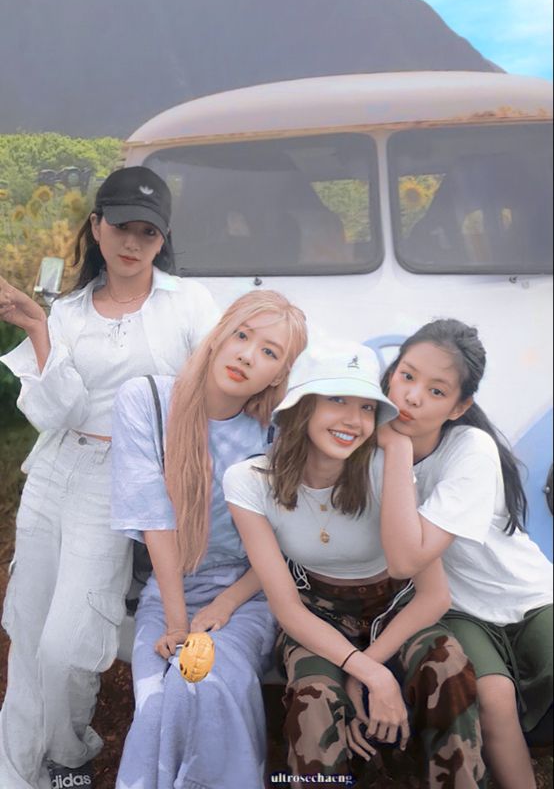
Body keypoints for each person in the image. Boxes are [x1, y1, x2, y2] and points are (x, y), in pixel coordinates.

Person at [0, 167, 219, 789]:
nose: (132, 242)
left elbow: (210, 394)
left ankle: (69, 752)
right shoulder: (66, 310)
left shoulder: (189, 305)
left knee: (67, 643)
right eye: (121, 226)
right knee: (26, 628)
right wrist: (39, 330)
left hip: (124, 477)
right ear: (96, 227)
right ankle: (18, 773)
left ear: (163, 238)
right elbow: (53, 412)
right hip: (55, 469)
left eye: (147, 232)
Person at [223, 345, 487, 787]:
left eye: (366, 407)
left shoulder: (386, 469)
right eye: (337, 400)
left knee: (447, 666)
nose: (353, 419)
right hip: (314, 611)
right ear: (303, 405)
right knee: (313, 699)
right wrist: (367, 673)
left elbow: (434, 595)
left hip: (395, 606)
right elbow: (288, 610)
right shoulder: (249, 481)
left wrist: (364, 668)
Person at [110, 288, 308, 789]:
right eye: (242, 335)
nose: (247, 355)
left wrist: (224, 605)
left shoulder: (276, 435)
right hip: (168, 590)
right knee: (157, 704)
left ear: (279, 376)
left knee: (204, 682)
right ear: (218, 335)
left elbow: (282, 541)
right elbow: (155, 519)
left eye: (269, 352)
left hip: (248, 594)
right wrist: (177, 622)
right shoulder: (148, 401)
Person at [377, 318, 553, 789]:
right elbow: (405, 566)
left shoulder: (470, 448)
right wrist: (393, 450)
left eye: (437, 391)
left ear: (460, 406)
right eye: (407, 376)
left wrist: (395, 447)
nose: (413, 397)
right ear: (392, 372)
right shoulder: (368, 444)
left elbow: (409, 556)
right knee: (494, 697)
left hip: (530, 595)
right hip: (458, 608)